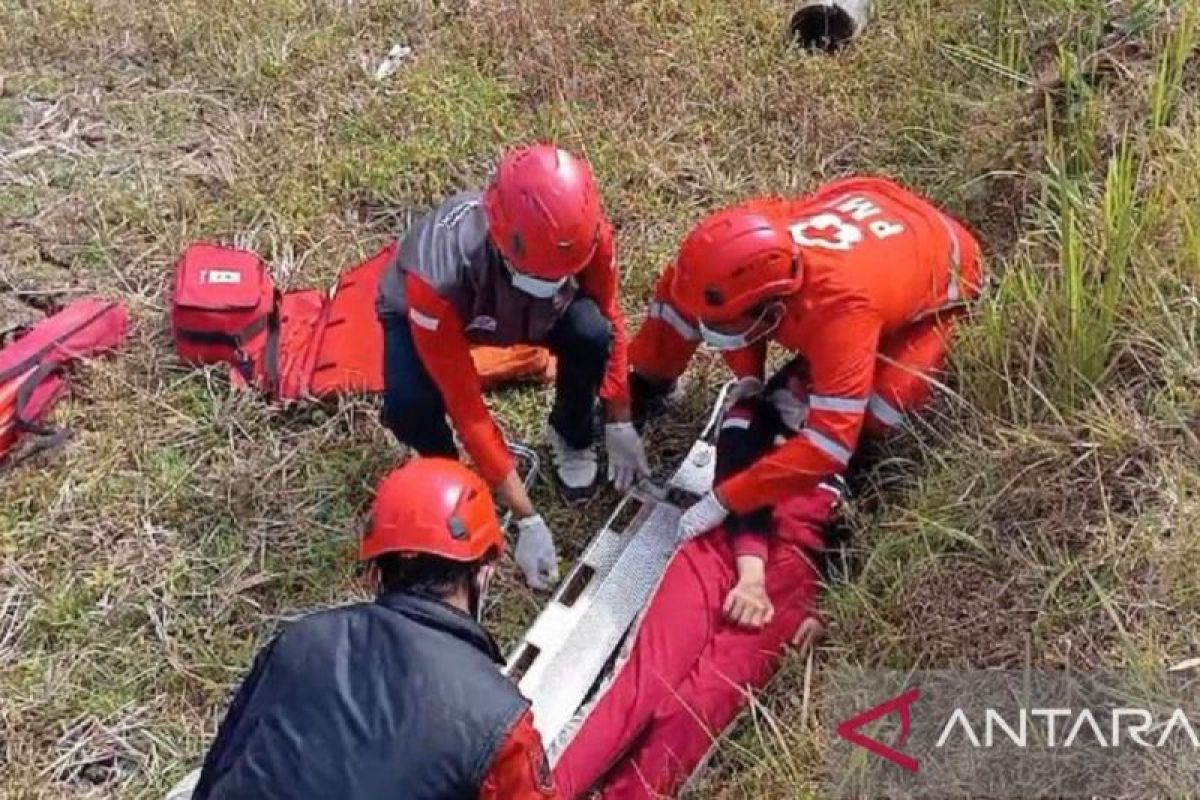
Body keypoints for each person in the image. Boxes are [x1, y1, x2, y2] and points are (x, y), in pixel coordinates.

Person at [629, 175, 984, 602]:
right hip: (876, 206)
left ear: (775, 307)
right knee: (688, 298)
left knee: (887, 402)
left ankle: (855, 476)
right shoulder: (755, 238)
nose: (711, 334)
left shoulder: (842, 310)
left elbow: (830, 443)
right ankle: (648, 385)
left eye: (724, 327)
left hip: (947, 267)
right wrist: (749, 374)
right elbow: (715, 298)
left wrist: (726, 498)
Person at [191, 458, 559, 800]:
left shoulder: (298, 641)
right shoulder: (499, 724)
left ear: (374, 573)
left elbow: (222, 766)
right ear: (484, 571)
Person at [376, 142, 649, 591]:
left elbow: (611, 316)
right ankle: (452, 476)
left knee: (590, 331)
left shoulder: (587, 234)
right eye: (540, 275)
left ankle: (571, 433)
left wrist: (619, 418)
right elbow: (465, 404)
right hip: (445, 311)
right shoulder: (436, 277)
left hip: (531, 312)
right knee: (410, 402)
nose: (551, 280)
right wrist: (527, 518)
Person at [552, 387, 842, 799]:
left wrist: (821, 607)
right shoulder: (752, 412)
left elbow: (869, 534)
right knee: (643, 682)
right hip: (723, 543)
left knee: (706, 702)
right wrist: (752, 574)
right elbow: (744, 490)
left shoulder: (856, 442)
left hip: (791, 575)